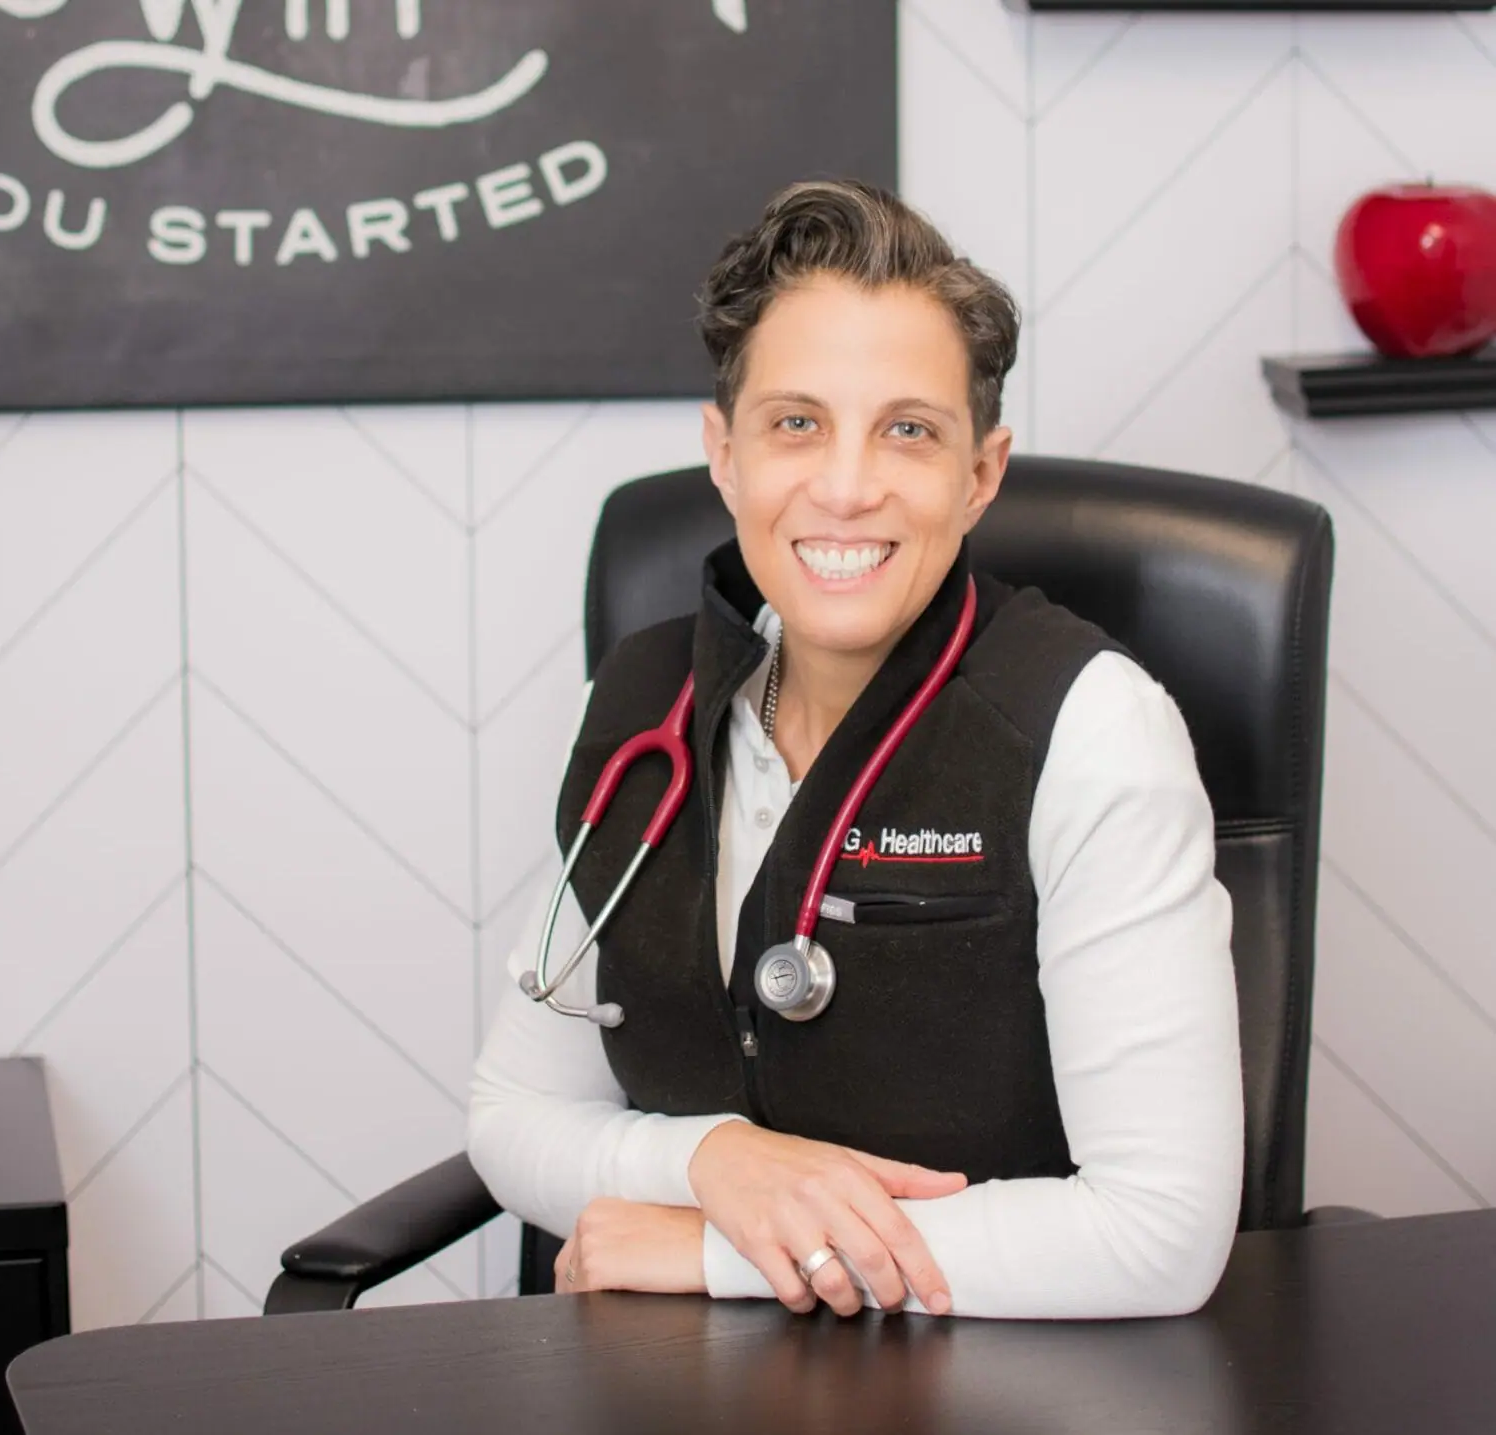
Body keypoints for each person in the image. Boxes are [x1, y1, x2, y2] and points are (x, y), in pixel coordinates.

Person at [468, 180, 1243, 1320]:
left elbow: (1159, 1233)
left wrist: (715, 1252)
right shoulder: (642, 705)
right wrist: (711, 1162)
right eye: (797, 424)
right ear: (723, 453)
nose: (844, 487)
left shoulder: (1092, 730)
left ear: (980, 473)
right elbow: (512, 1116)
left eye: (909, 431)